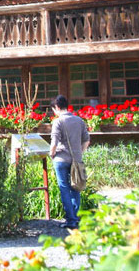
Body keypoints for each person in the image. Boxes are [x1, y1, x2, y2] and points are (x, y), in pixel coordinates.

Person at [49, 94, 90, 230]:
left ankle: (70, 219)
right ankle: (75, 218)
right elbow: (86, 140)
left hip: (61, 159)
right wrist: (80, 152)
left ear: (57, 107)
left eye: (54, 109)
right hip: (76, 160)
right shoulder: (79, 120)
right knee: (75, 187)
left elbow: (54, 141)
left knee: (64, 188)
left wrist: (51, 154)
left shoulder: (58, 121)